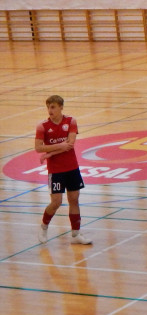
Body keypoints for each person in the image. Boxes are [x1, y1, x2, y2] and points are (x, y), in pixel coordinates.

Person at [35, 94, 91, 245]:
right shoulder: (43, 126)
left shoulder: (70, 121)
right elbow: (38, 147)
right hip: (56, 170)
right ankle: (44, 227)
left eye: (52, 107)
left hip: (72, 167)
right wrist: (59, 147)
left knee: (74, 200)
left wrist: (50, 153)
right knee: (56, 202)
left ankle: (76, 235)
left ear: (61, 107)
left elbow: (70, 144)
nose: (50, 110)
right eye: (48, 107)